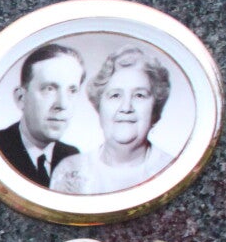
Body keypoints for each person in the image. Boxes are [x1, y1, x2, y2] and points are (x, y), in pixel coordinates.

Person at [51, 46, 177, 195]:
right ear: (99, 106)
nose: (126, 107)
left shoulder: (173, 170)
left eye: (139, 95)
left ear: (155, 108)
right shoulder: (69, 171)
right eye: (115, 95)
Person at [0, 42, 84, 187]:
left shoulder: (72, 157)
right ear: (21, 98)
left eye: (72, 91)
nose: (62, 104)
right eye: (49, 89)